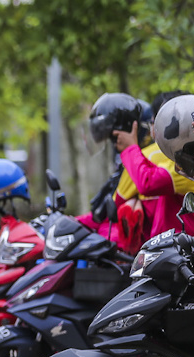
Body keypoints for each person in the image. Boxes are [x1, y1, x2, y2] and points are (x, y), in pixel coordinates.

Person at [115, 91, 194, 280]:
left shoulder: (191, 162)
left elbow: (147, 182)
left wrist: (129, 147)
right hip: (173, 259)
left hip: (186, 264)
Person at [79, 92, 153, 254]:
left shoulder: (143, 165)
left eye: (115, 138)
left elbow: (109, 210)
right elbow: (101, 212)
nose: (115, 144)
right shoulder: (130, 164)